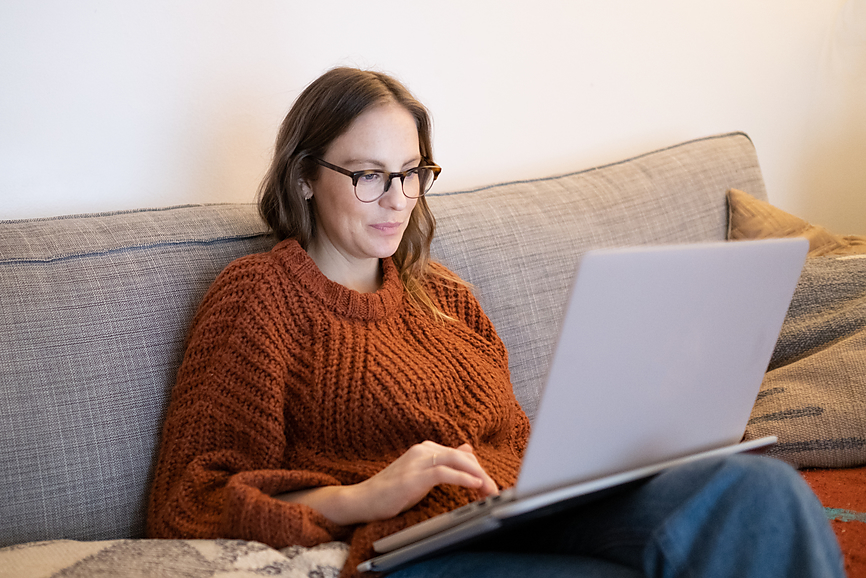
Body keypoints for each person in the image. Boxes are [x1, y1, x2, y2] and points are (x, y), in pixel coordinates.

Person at [147, 67, 844, 578]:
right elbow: (191, 499)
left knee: (761, 491)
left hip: (523, 508)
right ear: (304, 177)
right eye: (368, 175)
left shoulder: (445, 296)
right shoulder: (259, 296)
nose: (397, 200)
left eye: (412, 172)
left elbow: (516, 436)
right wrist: (364, 495)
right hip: (415, 545)